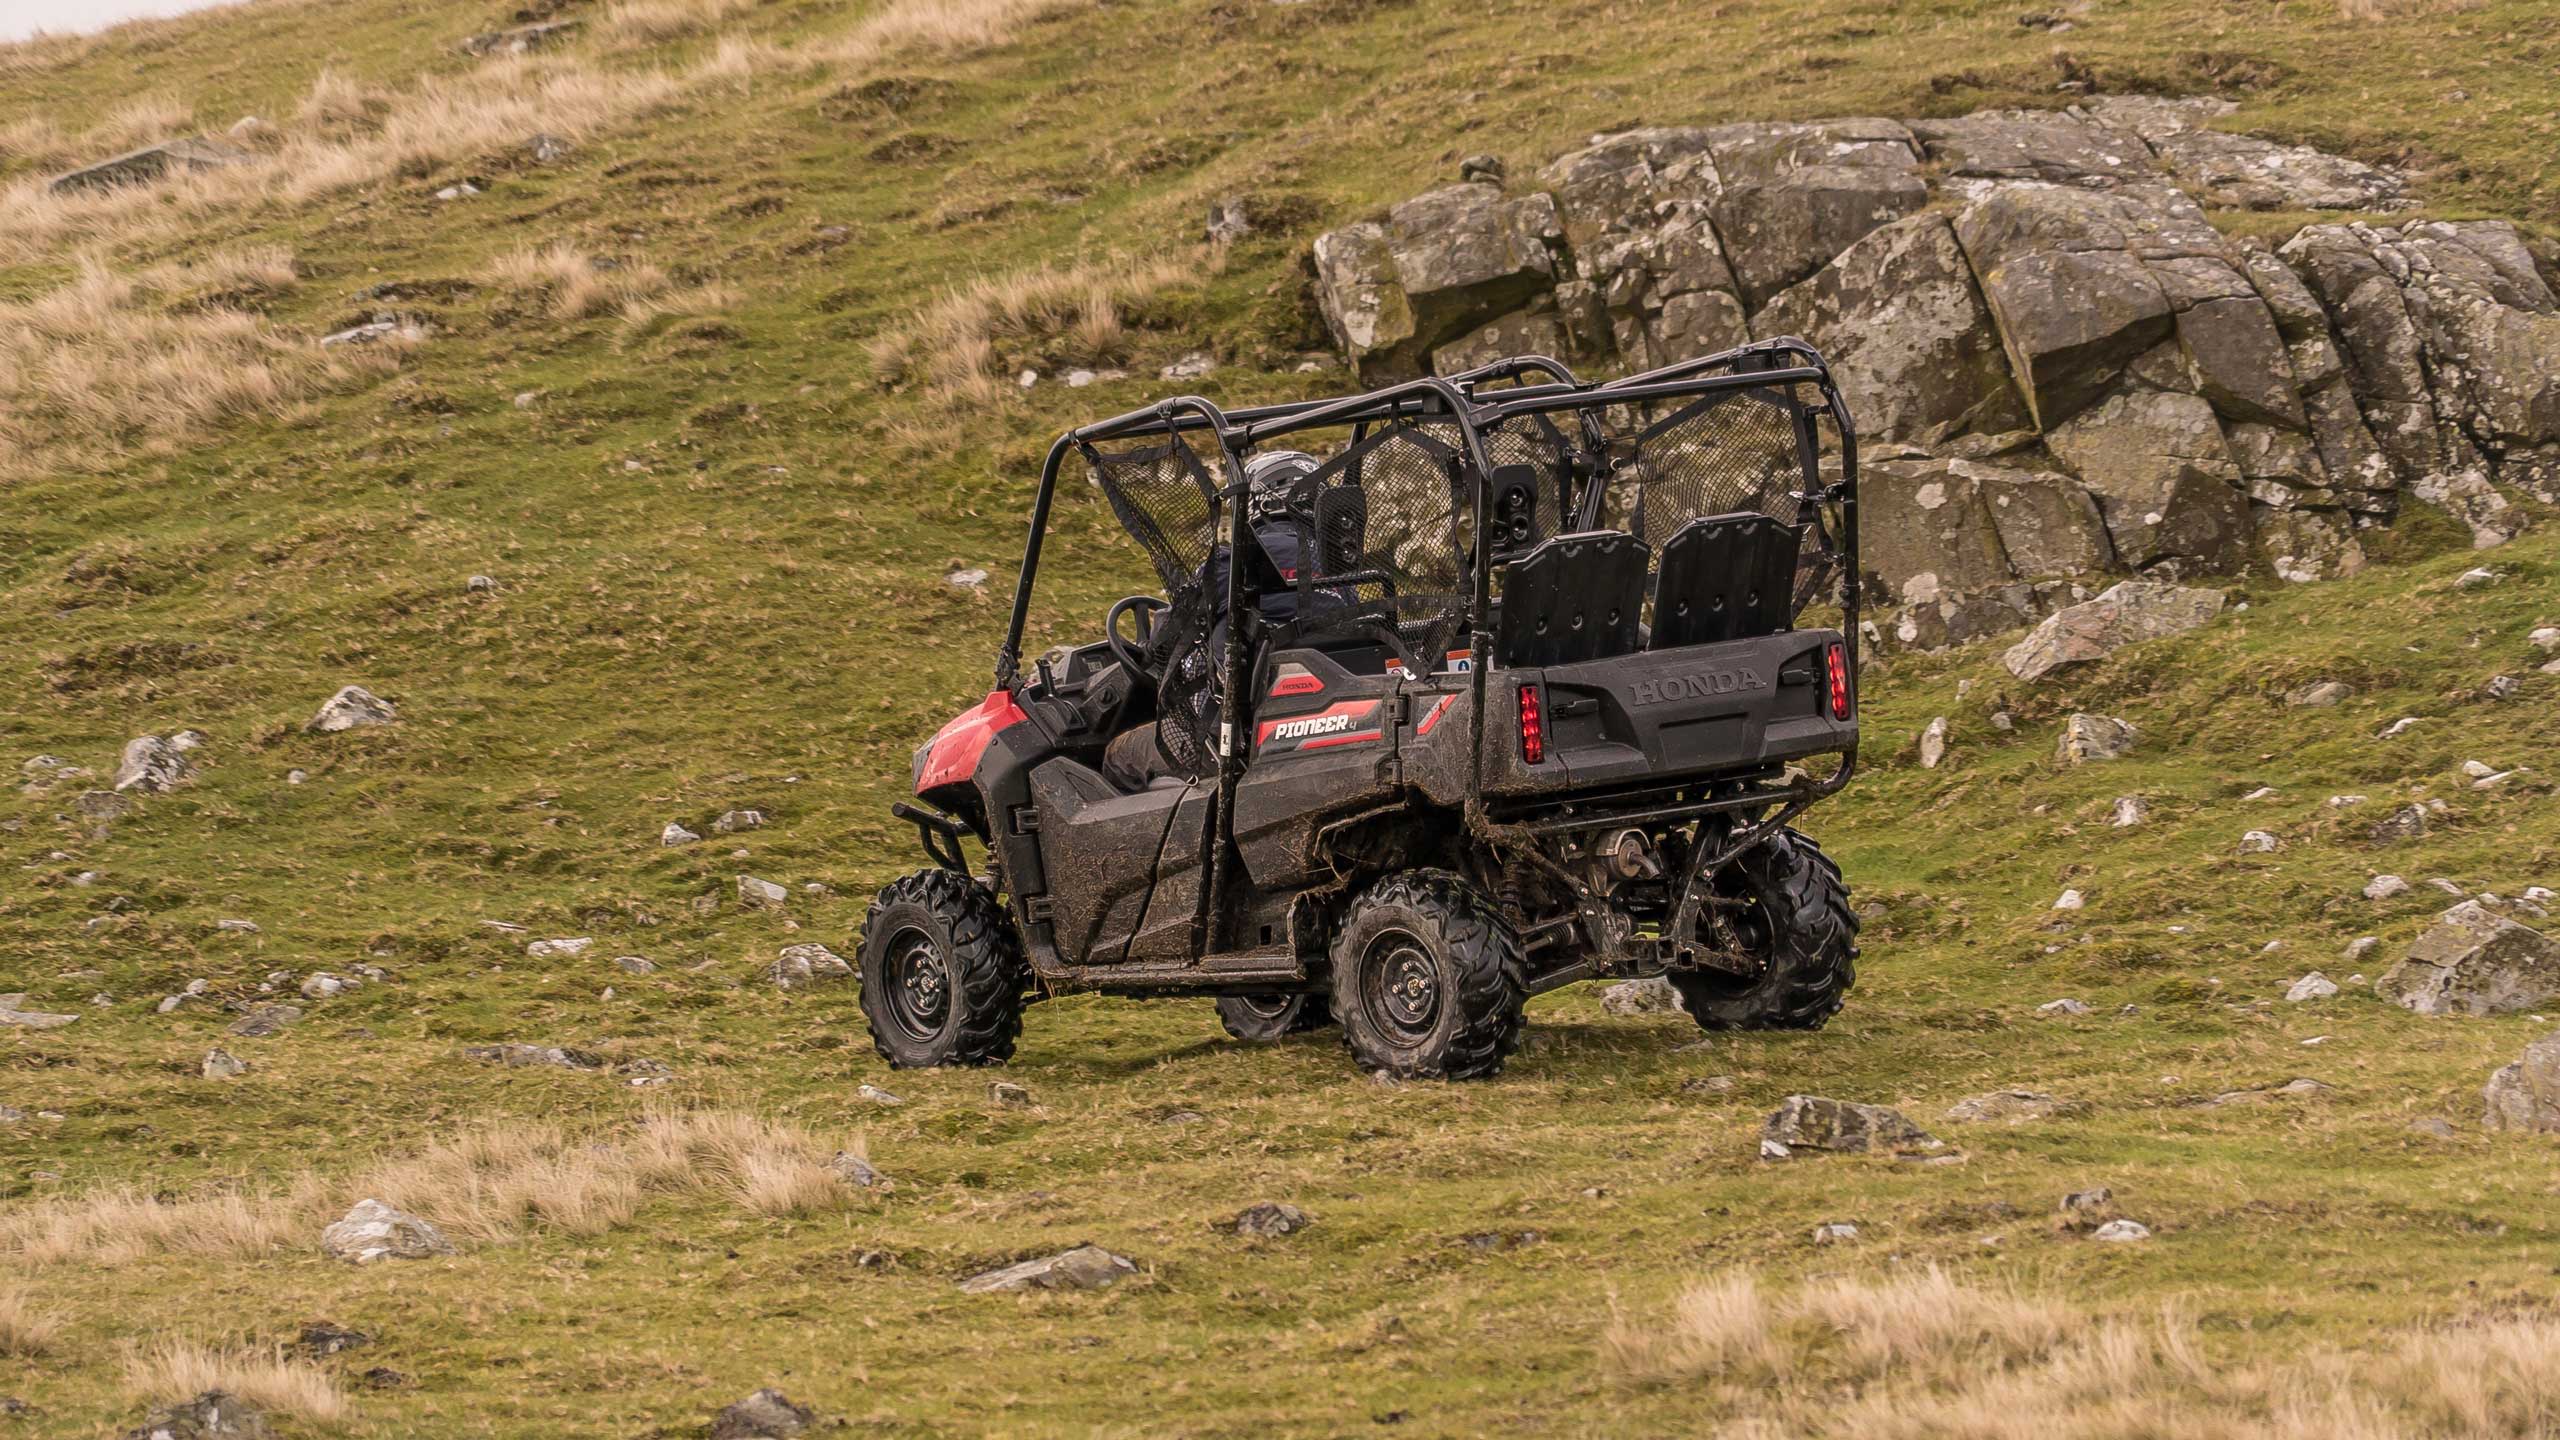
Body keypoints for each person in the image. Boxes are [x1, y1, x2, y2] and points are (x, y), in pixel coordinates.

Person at [1102, 450, 1321, 791]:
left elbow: (1166, 641)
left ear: (1259, 500)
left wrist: (1148, 647)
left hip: (1236, 737)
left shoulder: (1231, 564)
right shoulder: (1343, 566)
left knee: (1120, 755)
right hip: (1315, 714)